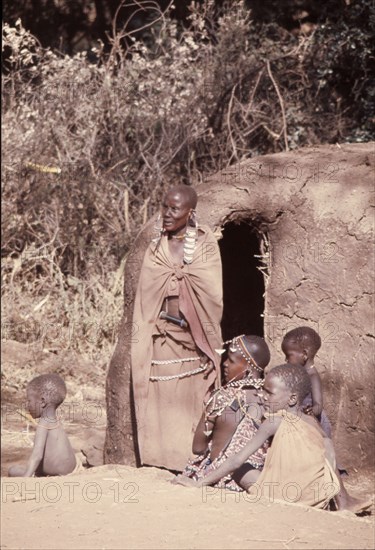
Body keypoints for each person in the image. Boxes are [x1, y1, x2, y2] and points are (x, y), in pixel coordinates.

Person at [173, 364, 372, 513]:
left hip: (278, 495)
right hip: (314, 496)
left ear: (293, 399)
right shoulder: (312, 422)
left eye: (269, 393)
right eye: (262, 390)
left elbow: (236, 460)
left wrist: (199, 484)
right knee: (327, 445)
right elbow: (326, 455)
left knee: (242, 468)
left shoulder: (273, 422)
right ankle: (343, 500)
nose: (262, 396)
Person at [131, 184, 223, 471]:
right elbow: (146, 294)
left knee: (192, 397)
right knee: (160, 396)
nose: (167, 214)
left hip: (193, 338)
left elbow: (212, 296)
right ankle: (158, 459)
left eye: (175, 208)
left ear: (190, 212)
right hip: (161, 335)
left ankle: (188, 459)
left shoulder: (205, 245)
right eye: (164, 206)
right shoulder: (155, 247)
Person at [180, 334, 270, 491]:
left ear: (248, 368)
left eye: (231, 360)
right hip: (252, 482)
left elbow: (198, 447)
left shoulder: (221, 398)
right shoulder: (271, 401)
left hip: (216, 480)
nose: (225, 364)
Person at [8, 374, 78, 477]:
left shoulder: (43, 424)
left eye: (29, 400)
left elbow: (37, 455)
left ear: (42, 402)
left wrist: (26, 477)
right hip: (71, 468)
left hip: (56, 472)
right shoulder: (55, 421)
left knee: (13, 470)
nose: (27, 405)